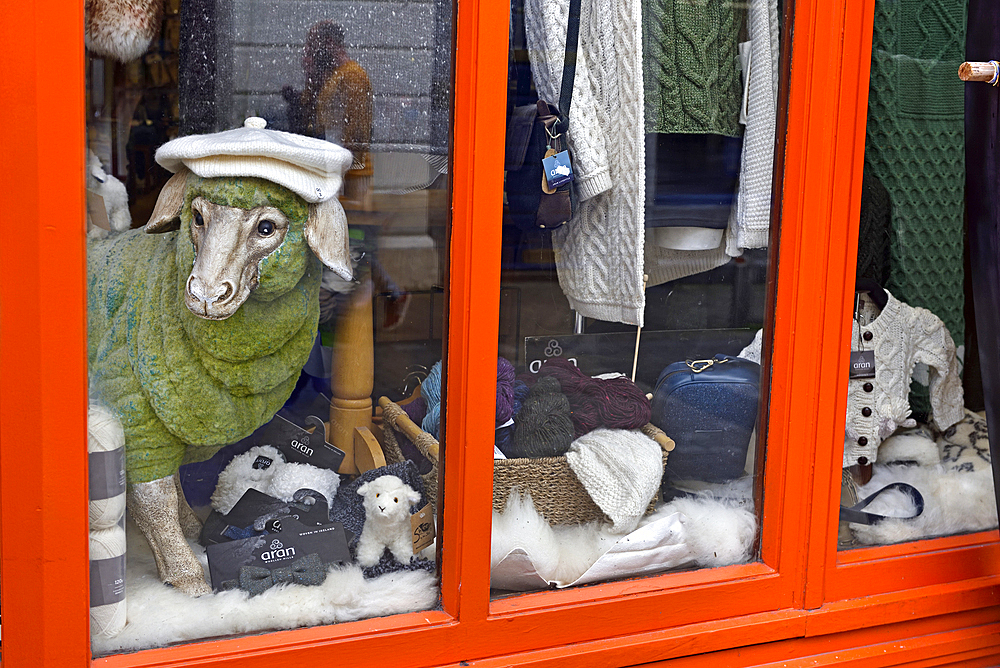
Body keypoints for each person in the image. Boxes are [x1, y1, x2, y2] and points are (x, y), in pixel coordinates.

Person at [284, 21, 373, 209]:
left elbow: (356, 131)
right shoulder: (335, 75)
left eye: (313, 44)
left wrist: (343, 171)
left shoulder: (352, 76)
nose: (310, 51)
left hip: (353, 176)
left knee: (353, 226)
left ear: (329, 43)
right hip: (338, 169)